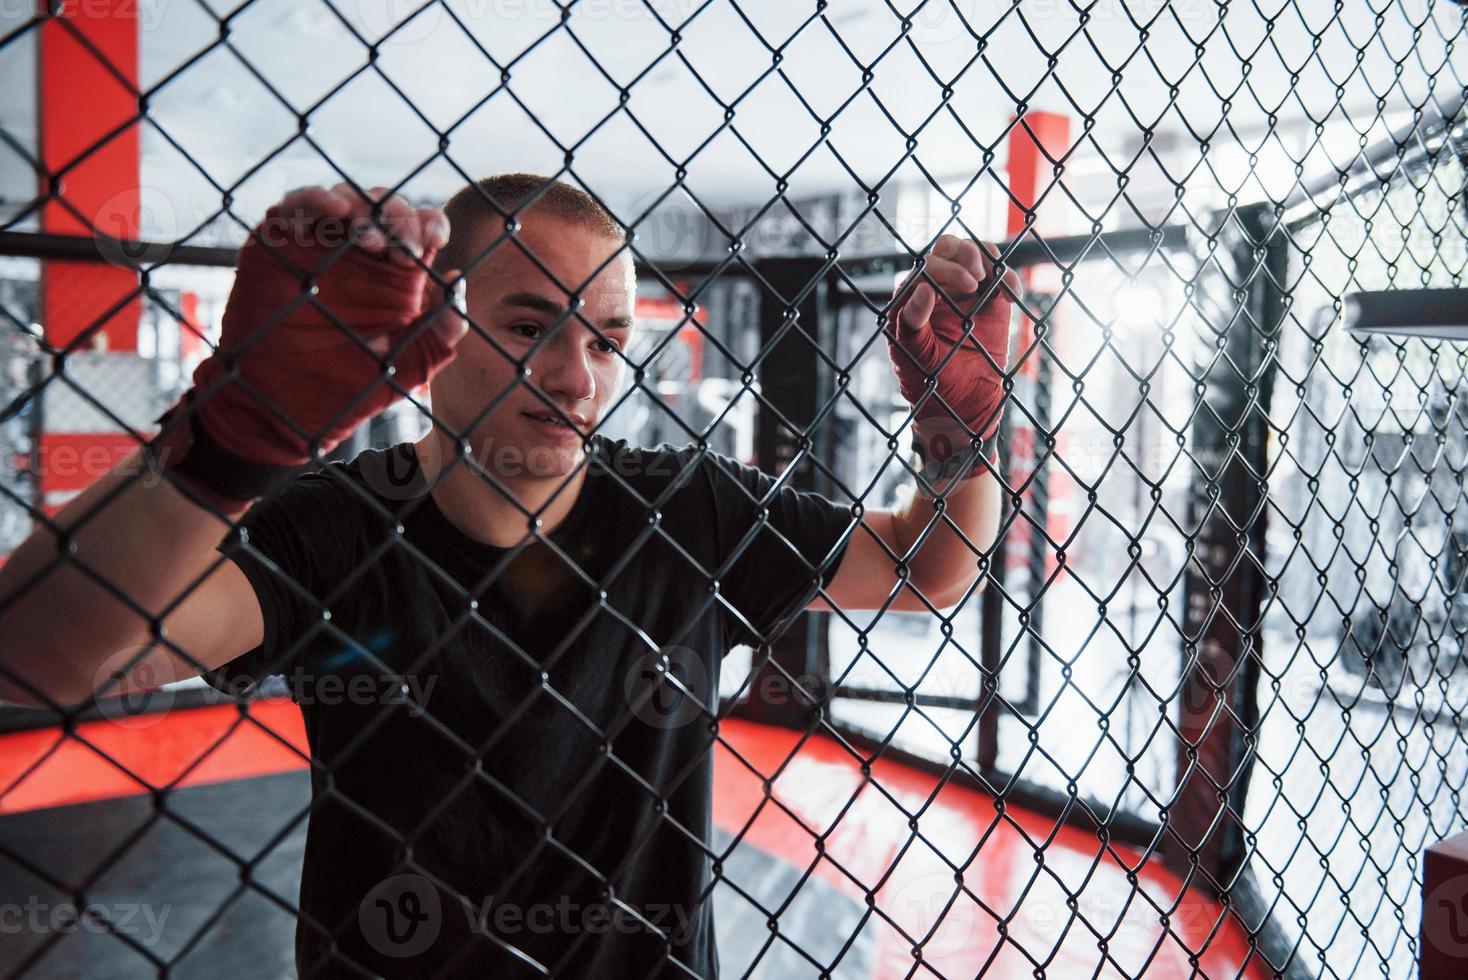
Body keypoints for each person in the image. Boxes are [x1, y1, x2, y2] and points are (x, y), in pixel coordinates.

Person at [0, 174, 1015, 977]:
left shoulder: (690, 506)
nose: (578, 378)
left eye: (607, 338)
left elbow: (925, 572)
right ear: (438, 330)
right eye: (529, 327)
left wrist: (955, 433)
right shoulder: (338, 527)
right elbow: (35, 660)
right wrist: (231, 440)